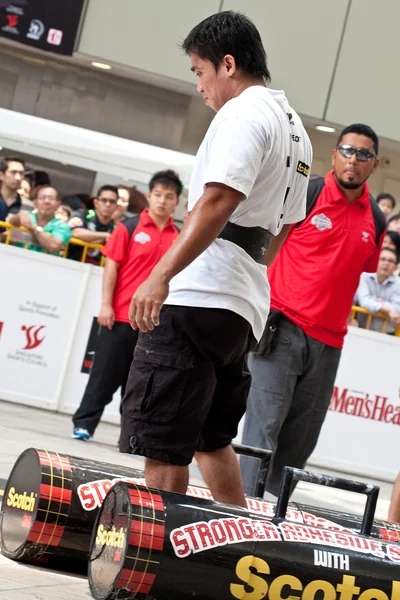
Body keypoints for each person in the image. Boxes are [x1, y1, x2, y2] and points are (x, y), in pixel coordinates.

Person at [119, 10, 312, 508]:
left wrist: (161, 274)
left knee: (162, 445)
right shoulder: (296, 129)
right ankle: (237, 557)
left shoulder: (243, 113)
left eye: (199, 72)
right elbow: (287, 223)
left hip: (198, 295)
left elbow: (219, 199)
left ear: (228, 64)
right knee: (210, 439)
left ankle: (157, 569)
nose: (200, 87)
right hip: (243, 301)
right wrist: (246, 269)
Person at [241, 123, 386, 498]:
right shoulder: (308, 193)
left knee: (301, 438)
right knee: (263, 427)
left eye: (364, 154)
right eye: (348, 151)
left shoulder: (377, 218)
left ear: (374, 164)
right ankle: (243, 509)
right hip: (283, 327)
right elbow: (268, 245)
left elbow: (361, 268)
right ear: (335, 155)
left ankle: (275, 512)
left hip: (330, 341)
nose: (355, 160)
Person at [72, 170, 182, 440]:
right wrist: (106, 305)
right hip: (120, 316)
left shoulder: (179, 237)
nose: (162, 201)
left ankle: (131, 435)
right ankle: (84, 424)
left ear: (177, 202)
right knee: (103, 375)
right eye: (158, 195)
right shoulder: (128, 227)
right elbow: (111, 267)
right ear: (148, 196)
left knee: (141, 383)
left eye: (169, 197)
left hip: (153, 324)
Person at [7, 185, 71, 254]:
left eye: (51, 198)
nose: (46, 201)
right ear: (35, 203)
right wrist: (18, 217)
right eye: (42, 198)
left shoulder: (62, 226)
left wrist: (35, 228)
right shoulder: (27, 215)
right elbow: (10, 223)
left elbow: (53, 246)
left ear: (58, 204)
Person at [68, 185, 119, 264]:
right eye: (104, 200)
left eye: (112, 202)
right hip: (71, 264)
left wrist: (91, 237)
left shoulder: (117, 228)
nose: (108, 204)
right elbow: (75, 232)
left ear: (116, 206)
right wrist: (105, 236)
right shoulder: (81, 214)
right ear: (96, 202)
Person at [355, 248, 400, 333]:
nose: (386, 263)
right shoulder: (365, 276)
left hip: (387, 333)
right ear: (377, 260)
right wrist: (388, 309)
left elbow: (398, 308)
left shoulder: (398, 283)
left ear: (395, 267)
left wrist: (375, 300)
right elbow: (364, 301)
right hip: (361, 330)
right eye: (383, 259)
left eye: (390, 261)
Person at [0, 157, 24, 223]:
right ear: (1, 175)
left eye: (21, 173)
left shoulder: (27, 206)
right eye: (13, 172)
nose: (18, 178)